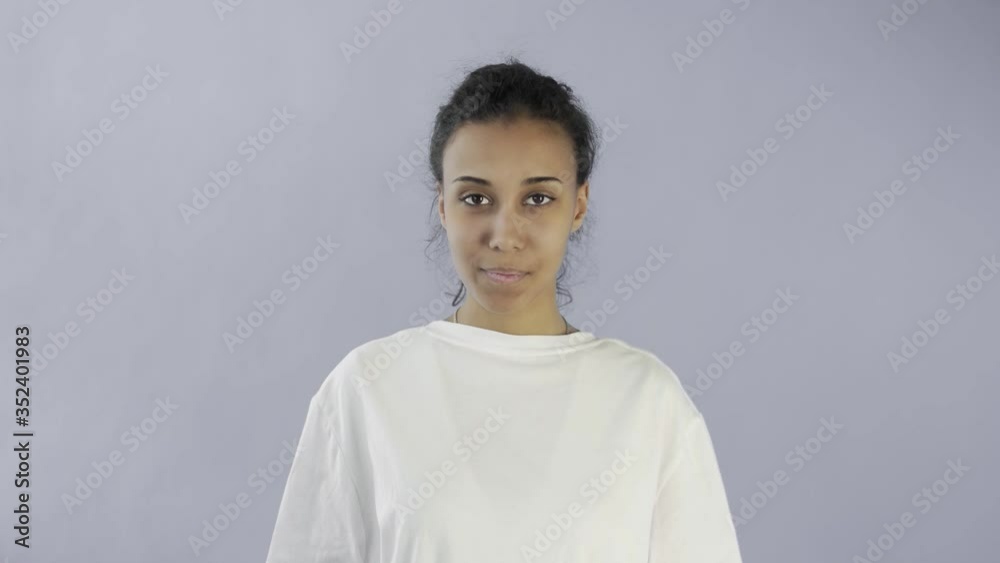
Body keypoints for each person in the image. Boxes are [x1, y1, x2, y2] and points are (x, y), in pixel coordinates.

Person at [264, 57, 743, 562]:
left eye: (537, 199)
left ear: (578, 206)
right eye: (476, 198)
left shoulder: (649, 401)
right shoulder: (364, 389)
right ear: (443, 205)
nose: (504, 236)